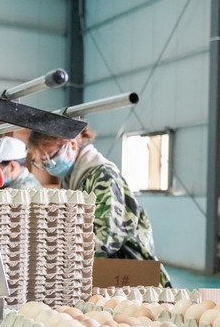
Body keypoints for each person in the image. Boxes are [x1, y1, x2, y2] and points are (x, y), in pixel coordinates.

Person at [27, 122, 172, 287]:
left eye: (49, 159)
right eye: (42, 163)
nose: (46, 167)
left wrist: (55, 255)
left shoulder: (103, 176)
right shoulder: (70, 179)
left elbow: (104, 240)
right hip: (100, 271)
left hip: (129, 273)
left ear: (72, 145)